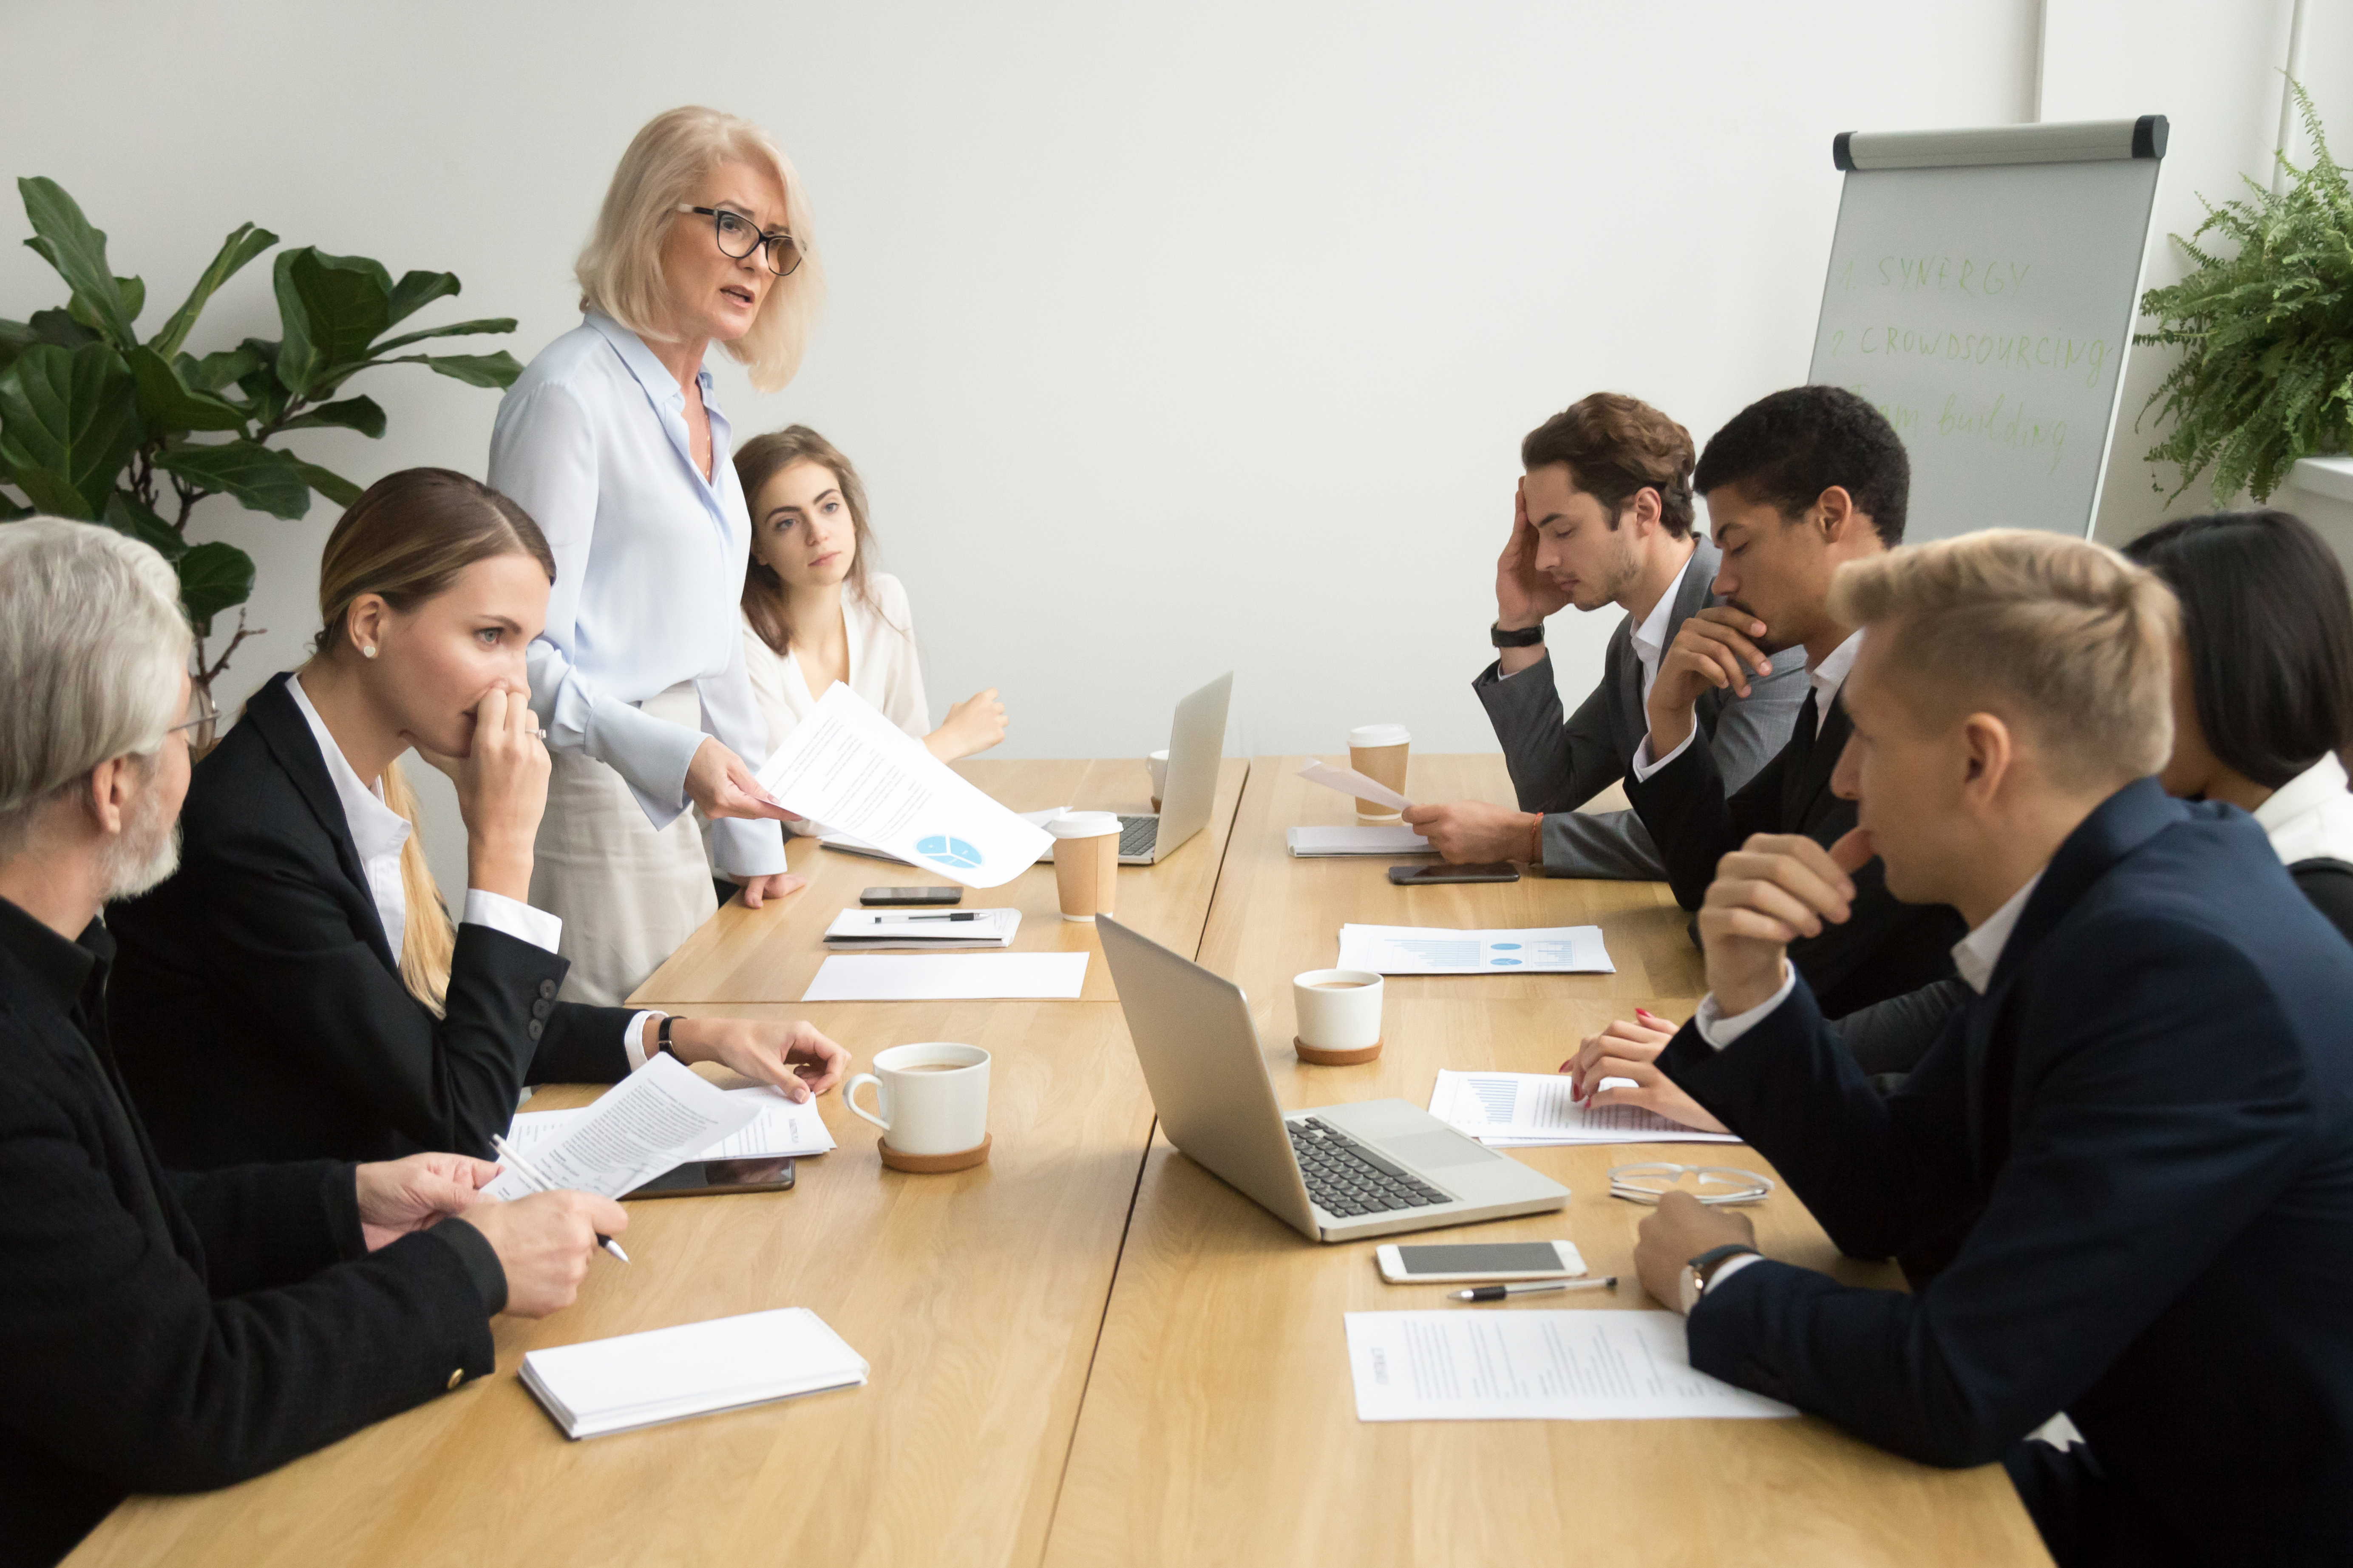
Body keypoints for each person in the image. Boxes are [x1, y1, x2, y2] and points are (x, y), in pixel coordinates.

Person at [1626, 530, 2353, 1567]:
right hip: (2159, 1489)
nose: (1844, 781)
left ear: (1978, 759)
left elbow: (1955, 1382)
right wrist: (1752, 988)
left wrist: (1716, 1278)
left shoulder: (2178, 969)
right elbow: (1891, 1196)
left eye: (1869, 737)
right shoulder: (2112, 892)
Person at [0, 520, 623, 1568]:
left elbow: (115, 1226)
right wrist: (473, 1268)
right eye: (186, 725)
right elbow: (189, 1391)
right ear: (114, 787)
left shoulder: (53, 966)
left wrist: (345, 1202)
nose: (202, 750)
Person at [110, 470, 849, 1171]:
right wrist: (502, 845)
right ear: (371, 624)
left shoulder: (350, 772)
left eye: (527, 646)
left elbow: (447, 1014)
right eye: (491, 636)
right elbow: (464, 1115)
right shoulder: (253, 831)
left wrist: (691, 1037)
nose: (516, 683)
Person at [1565, 505, 2353, 1131]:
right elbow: (1969, 1033)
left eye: (2137, 662)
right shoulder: (2189, 845)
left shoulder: (2308, 903)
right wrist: (1748, 1067)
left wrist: (1744, 1081)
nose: (2101, 691)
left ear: (2230, 677)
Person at [488, 105, 825, 1005]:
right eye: (732, 225)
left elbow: (713, 650)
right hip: (596, 785)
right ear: (650, 221)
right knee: (627, 1058)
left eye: (774, 243)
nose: (758, 261)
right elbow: (516, 653)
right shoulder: (568, 397)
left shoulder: (702, 403)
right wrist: (670, 757)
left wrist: (754, 844)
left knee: (709, 1041)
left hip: (688, 784)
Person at [1622, 385, 1964, 1022]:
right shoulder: (1832, 690)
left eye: (1739, 544)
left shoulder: (1920, 705)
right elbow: (1710, 880)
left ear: (1831, 517)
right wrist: (1669, 716)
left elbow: (1770, 941)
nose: (1723, 581)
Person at [1399, 393, 1806, 875]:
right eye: (1539, 535)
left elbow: (1721, 833)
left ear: (1644, 512)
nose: (1543, 560)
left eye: (1562, 532)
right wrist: (1520, 626)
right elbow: (1550, 792)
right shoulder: (1632, 645)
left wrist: (1523, 838)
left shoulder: (1759, 627)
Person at [2126, 508, 2353, 938]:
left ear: (2234, 671)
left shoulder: (2325, 896)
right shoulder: (2192, 829)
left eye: (2142, 656)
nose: (2118, 691)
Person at [736, 425, 1008, 768]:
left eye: (829, 507)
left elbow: (914, 764)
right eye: (787, 523)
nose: (818, 533)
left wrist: (929, 750)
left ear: (851, 515)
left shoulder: (883, 600)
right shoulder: (742, 639)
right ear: (757, 547)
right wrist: (952, 739)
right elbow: (795, 797)